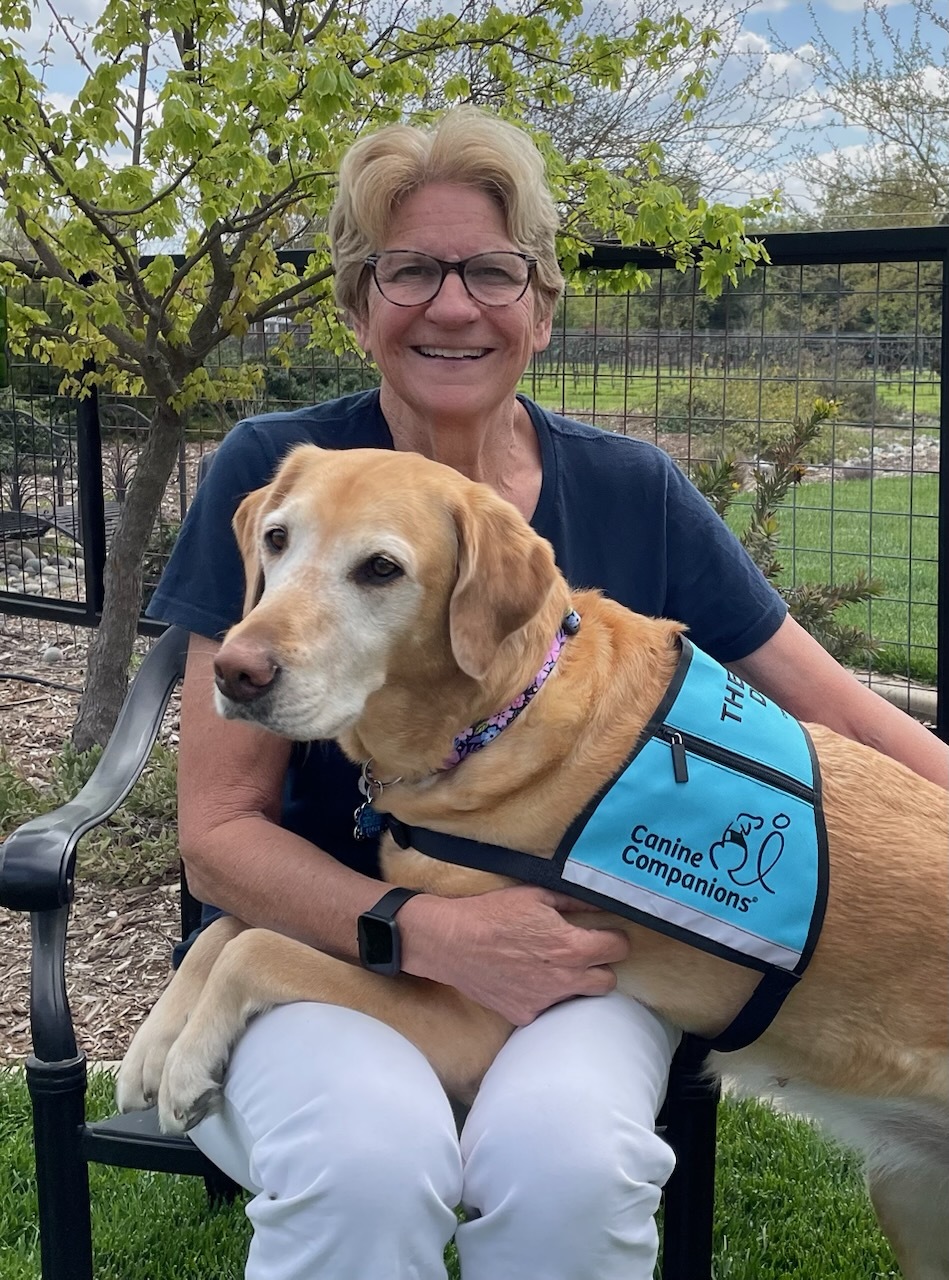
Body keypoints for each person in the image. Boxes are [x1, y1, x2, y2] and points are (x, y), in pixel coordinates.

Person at [146, 106, 948, 1280]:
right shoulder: (286, 470)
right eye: (407, 269)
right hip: (335, 924)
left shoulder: (633, 489)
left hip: (592, 954)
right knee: (366, 1166)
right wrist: (415, 928)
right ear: (357, 302)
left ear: (541, 304)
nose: (452, 304)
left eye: (491, 270)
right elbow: (217, 834)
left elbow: (831, 708)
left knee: (567, 1166)